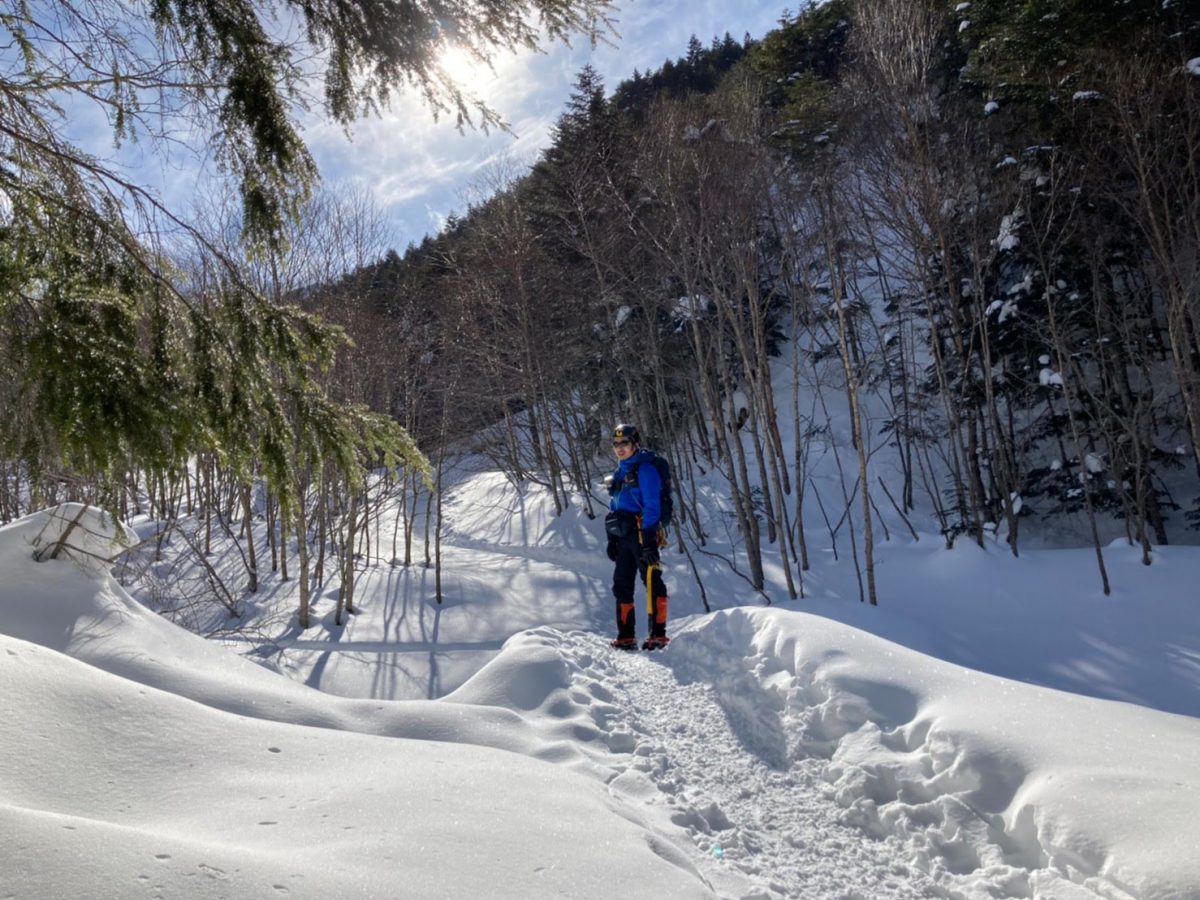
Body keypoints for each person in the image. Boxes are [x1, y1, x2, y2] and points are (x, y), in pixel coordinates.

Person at [604, 423, 669, 651]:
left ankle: (657, 635)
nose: (620, 448)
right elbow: (616, 504)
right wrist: (612, 537)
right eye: (616, 444)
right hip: (622, 534)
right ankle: (626, 637)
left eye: (625, 443)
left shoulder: (646, 469)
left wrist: (650, 537)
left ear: (635, 443)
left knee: (651, 580)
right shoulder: (620, 471)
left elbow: (652, 504)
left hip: (643, 531)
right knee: (621, 584)